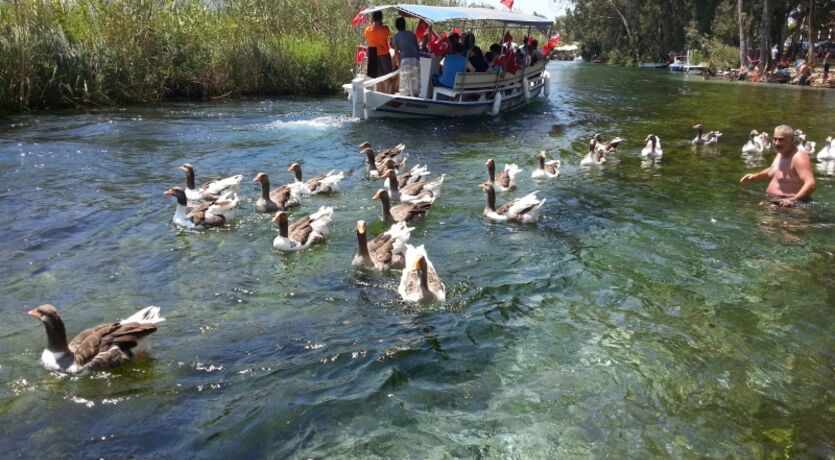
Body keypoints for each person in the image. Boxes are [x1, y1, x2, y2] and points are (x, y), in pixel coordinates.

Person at [740, 125, 816, 207]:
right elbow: (772, 171)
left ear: (791, 140)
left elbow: (811, 183)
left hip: (791, 206)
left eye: (781, 140)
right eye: (775, 139)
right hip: (775, 202)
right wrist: (754, 177)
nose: (777, 143)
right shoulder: (781, 153)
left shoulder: (799, 157)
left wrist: (793, 199)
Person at [390, 17, 421, 96]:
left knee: (405, 88)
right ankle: (416, 103)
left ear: (396, 26)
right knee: (415, 88)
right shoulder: (412, 34)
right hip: (416, 61)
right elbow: (417, 48)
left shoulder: (396, 37)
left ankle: (406, 104)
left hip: (406, 61)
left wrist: (398, 64)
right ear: (405, 25)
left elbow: (396, 52)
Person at [364, 10, 392, 93]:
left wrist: (371, 23)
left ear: (373, 18)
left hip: (372, 53)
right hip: (384, 53)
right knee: (387, 76)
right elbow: (387, 33)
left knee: (378, 78)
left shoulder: (368, 30)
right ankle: (387, 94)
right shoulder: (385, 29)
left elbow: (365, 35)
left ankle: (380, 94)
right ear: (381, 18)